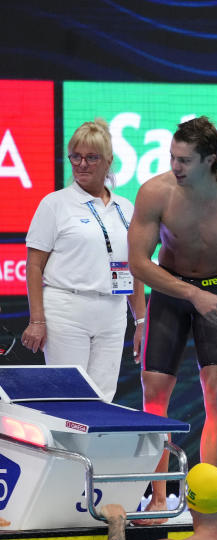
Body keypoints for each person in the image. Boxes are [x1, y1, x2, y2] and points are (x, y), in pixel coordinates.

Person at [128, 116, 217, 515]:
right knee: (154, 394)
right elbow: (138, 263)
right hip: (172, 291)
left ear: (210, 160)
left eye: (184, 160)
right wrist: (191, 293)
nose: (175, 167)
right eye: (172, 157)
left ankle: (206, 496)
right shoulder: (157, 193)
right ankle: (157, 496)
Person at [22, 119, 145, 401]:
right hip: (67, 309)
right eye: (75, 157)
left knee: (104, 399)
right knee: (68, 397)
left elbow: (135, 269)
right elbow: (34, 265)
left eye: (91, 157)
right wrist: (37, 319)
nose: (82, 164)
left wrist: (141, 320)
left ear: (109, 161)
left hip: (113, 313)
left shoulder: (126, 208)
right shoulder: (55, 204)